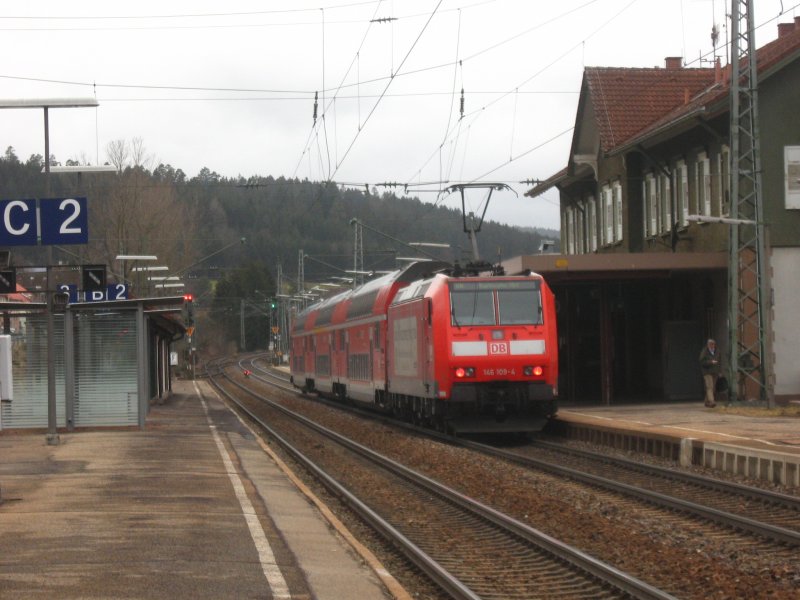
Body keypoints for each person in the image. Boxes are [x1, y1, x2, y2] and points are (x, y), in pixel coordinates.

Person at [699, 339, 721, 407]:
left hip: (715, 372)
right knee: (709, 386)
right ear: (708, 344)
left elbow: (720, 362)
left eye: (713, 344)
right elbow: (701, 361)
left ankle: (706, 402)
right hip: (707, 372)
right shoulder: (704, 351)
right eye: (710, 344)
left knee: (712, 388)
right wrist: (710, 362)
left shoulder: (717, 351)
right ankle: (712, 401)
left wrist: (720, 371)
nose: (712, 345)